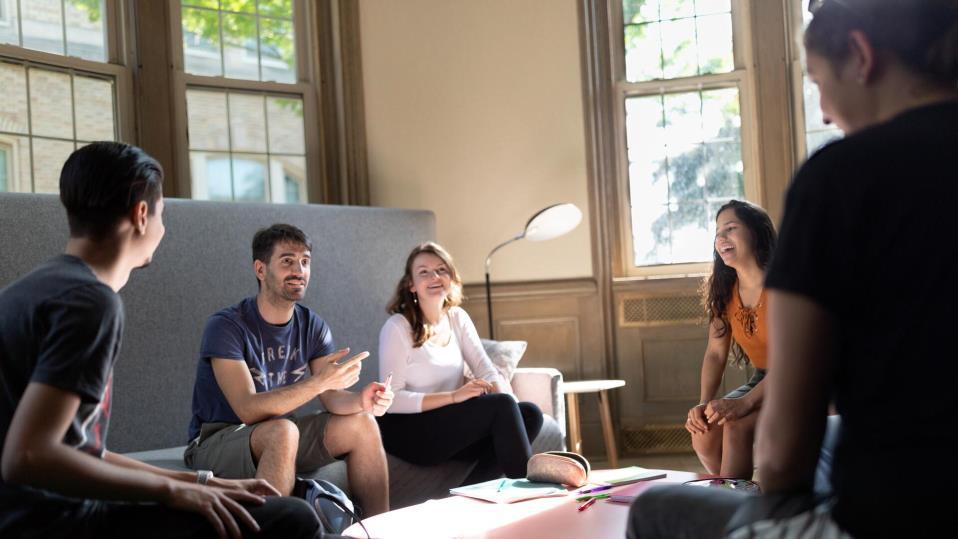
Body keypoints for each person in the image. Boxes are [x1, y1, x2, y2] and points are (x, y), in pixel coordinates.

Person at [629, 1, 958, 537]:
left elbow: (785, 452)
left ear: (861, 55)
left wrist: (773, 495)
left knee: (656, 508)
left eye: (819, 83)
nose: (824, 112)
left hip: (895, 513)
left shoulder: (840, 179)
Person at [0, 142, 322, 538]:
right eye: (162, 213)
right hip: (51, 520)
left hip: (35, 509)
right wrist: (171, 492)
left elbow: (79, 450)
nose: (162, 228)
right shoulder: (90, 302)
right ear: (141, 215)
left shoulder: (37, 288)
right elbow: (27, 456)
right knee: (294, 518)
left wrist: (196, 482)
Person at [185, 224, 394, 518]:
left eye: (305, 261)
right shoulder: (226, 326)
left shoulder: (312, 325)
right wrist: (318, 383)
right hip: (217, 439)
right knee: (283, 430)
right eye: (287, 261)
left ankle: (378, 529)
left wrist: (363, 400)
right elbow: (247, 409)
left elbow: (332, 397)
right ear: (260, 269)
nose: (299, 270)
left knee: (363, 423)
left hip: (280, 434)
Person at [376, 242, 543, 486]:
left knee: (529, 414)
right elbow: (393, 401)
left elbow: (485, 369)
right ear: (411, 284)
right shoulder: (397, 328)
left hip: (447, 425)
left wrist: (511, 407)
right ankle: (528, 493)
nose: (434, 277)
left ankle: (470, 492)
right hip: (408, 431)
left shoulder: (457, 318)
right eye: (424, 272)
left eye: (441, 270)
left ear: (451, 277)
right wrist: (454, 397)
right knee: (503, 406)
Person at [686, 200, 776, 479]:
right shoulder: (725, 290)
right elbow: (715, 354)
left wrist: (746, 403)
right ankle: (737, 493)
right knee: (704, 431)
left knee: (736, 426)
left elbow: (796, 363)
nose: (721, 238)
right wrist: (704, 403)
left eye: (731, 228)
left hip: (801, 380)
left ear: (756, 233)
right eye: (717, 233)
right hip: (763, 379)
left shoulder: (785, 284)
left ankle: (733, 499)